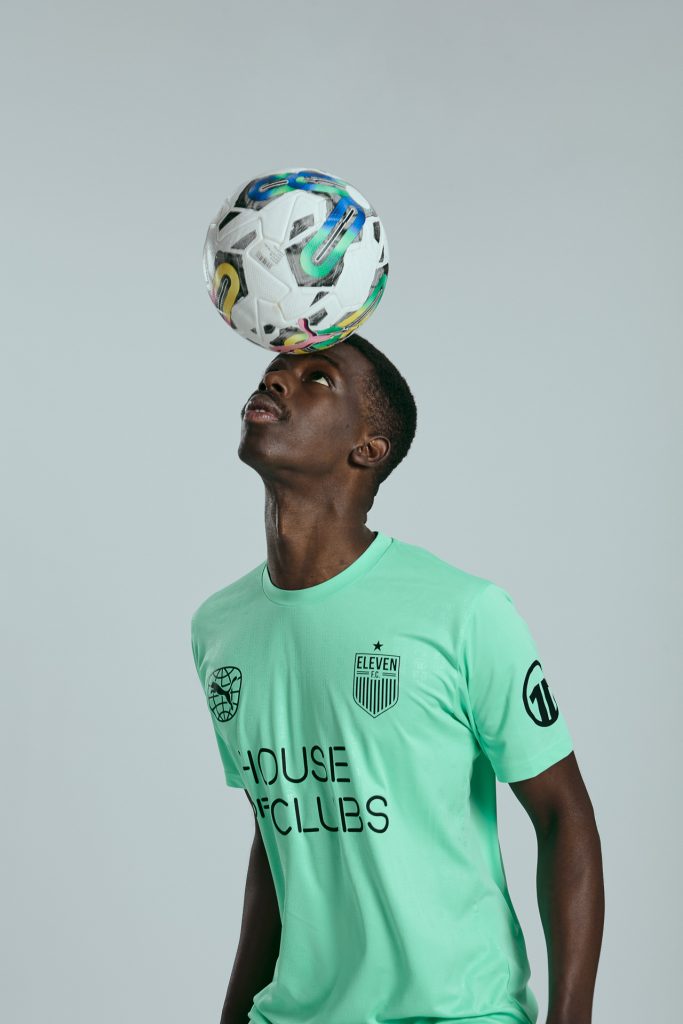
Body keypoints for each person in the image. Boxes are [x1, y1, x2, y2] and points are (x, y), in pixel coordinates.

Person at [190, 333, 604, 1024]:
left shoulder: (464, 612)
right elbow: (281, 831)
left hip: (455, 1012)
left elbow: (563, 816)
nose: (276, 381)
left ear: (368, 448)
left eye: (318, 378)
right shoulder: (220, 627)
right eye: (275, 370)